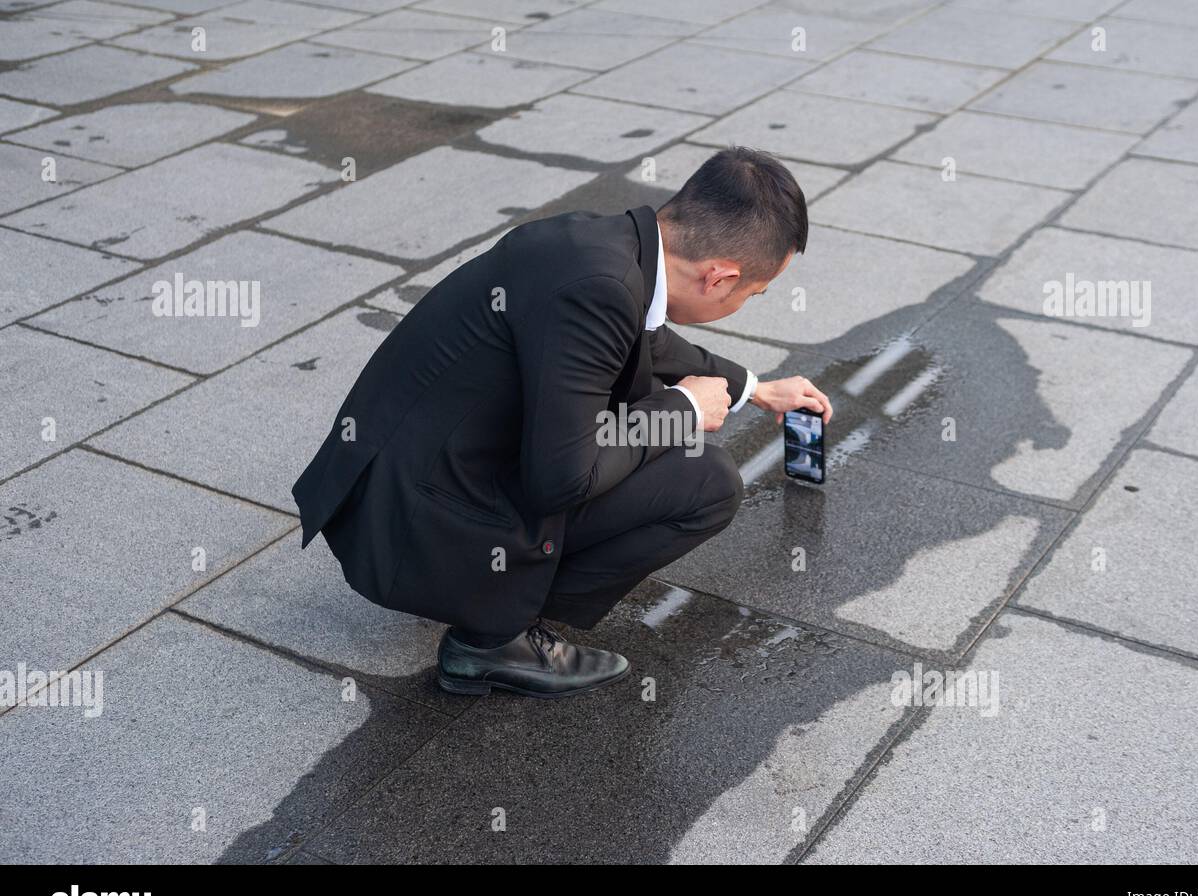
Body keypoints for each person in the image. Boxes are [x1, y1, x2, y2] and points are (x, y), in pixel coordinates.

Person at [293, 146, 833, 699]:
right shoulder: (599, 291)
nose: (749, 301)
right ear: (720, 277)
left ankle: (495, 594)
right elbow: (563, 477)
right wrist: (684, 410)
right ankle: (491, 634)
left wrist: (752, 388)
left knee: (645, 417)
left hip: (402, 484)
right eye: (754, 293)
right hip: (416, 528)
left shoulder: (606, 246)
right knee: (707, 482)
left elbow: (644, 337)